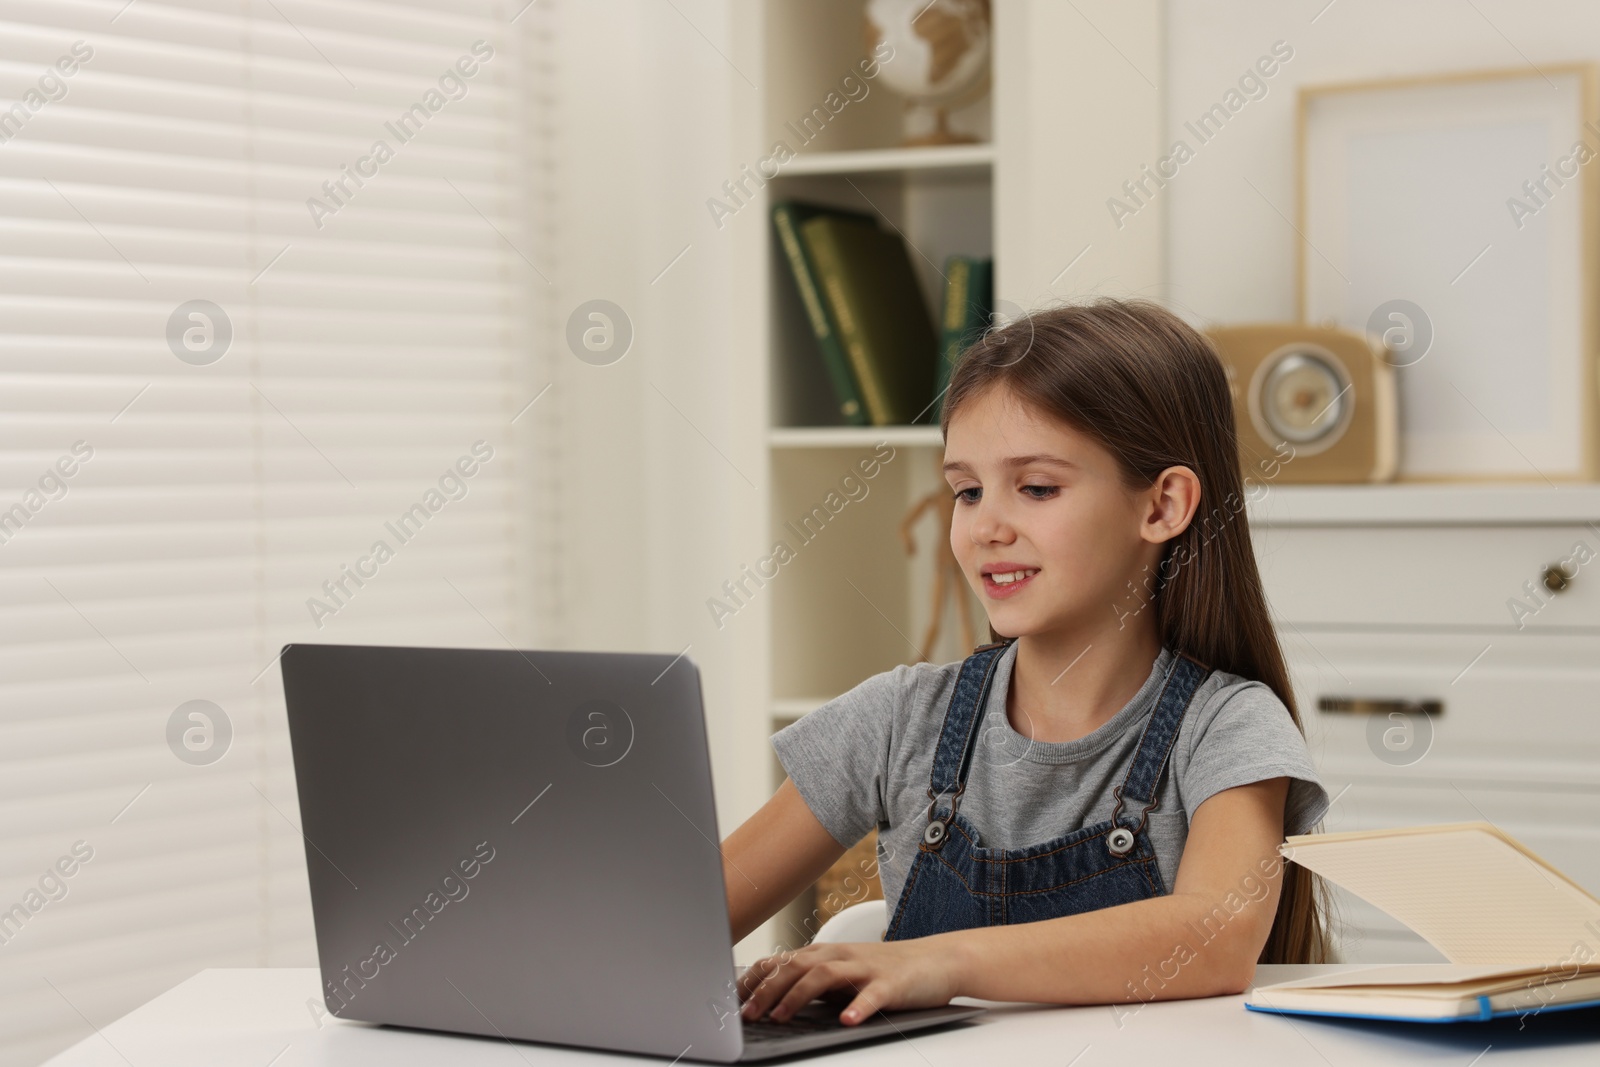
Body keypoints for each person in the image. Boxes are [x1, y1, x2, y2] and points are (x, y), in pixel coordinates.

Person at [722, 297, 1333, 1026]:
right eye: (967, 490)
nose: (987, 526)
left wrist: (939, 959)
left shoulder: (1228, 727)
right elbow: (681, 923)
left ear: (1163, 505)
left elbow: (1214, 935)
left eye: (1037, 487)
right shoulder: (897, 719)